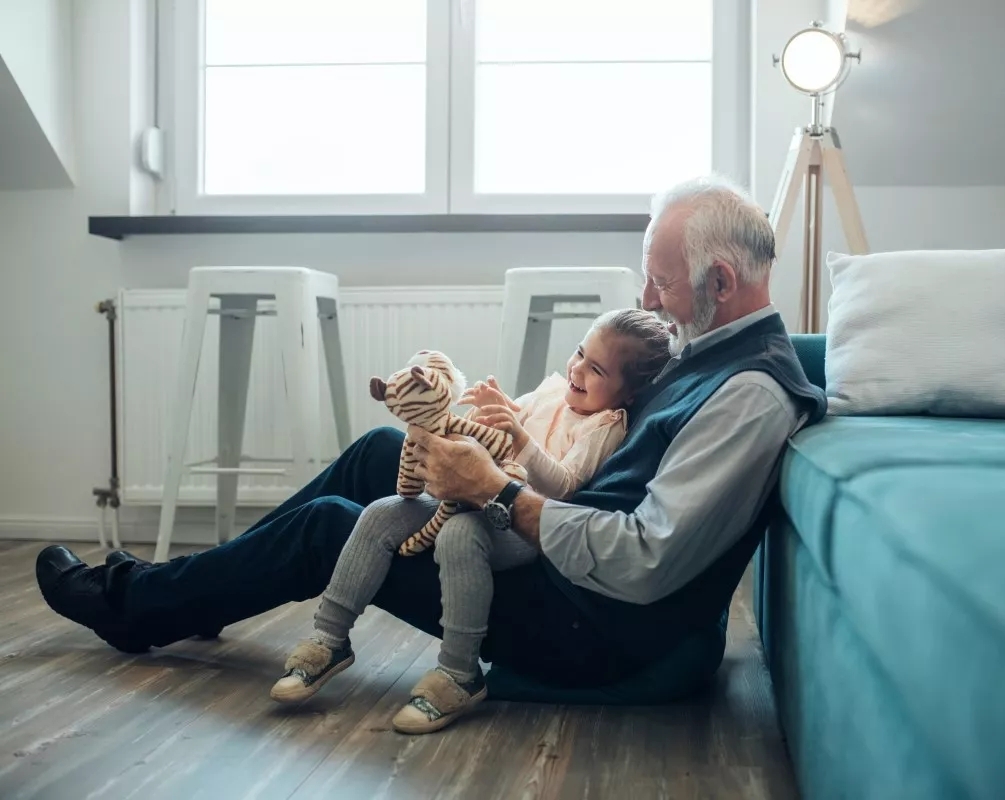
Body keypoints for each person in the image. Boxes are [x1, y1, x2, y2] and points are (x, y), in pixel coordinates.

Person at [33, 173, 828, 735]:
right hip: (562, 566)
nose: (648, 300)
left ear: (720, 280)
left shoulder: (749, 395)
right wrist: (501, 440)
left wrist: (501, 494)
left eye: (659, 284)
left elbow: (646, 560)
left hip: (597, 631)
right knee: (383, 448)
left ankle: (130, 609)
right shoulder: (710, 347)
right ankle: (194, 597)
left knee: (335, 526)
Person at [269, 308, 673, 735]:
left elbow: (564, 487)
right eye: (579, 354)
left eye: (597, 370)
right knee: (380, 514)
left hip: (520, 521)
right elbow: (502, 427)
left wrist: (519, 436)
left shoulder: (605, 425)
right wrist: (494, 410)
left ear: (628, 393)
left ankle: (459, 673)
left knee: (460, 535)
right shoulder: (555, 389)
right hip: (471, 495)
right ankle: (328, 640)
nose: (577, 370)